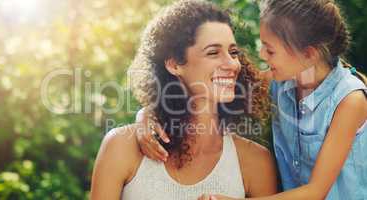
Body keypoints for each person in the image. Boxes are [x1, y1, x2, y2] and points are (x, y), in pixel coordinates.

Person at [137, 0, 367, 199]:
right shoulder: (282, 80)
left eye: (270, 50)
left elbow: (315, 192)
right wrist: (147, 114)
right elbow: (217, 82)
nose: (262, 56)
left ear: (307, 54)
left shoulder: (350, 101)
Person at [90, 1, 277, 199]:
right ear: (174, 64)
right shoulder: (121, 147)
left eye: (233, 52)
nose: (232, 63)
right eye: (213, 52)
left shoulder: (255, 161)